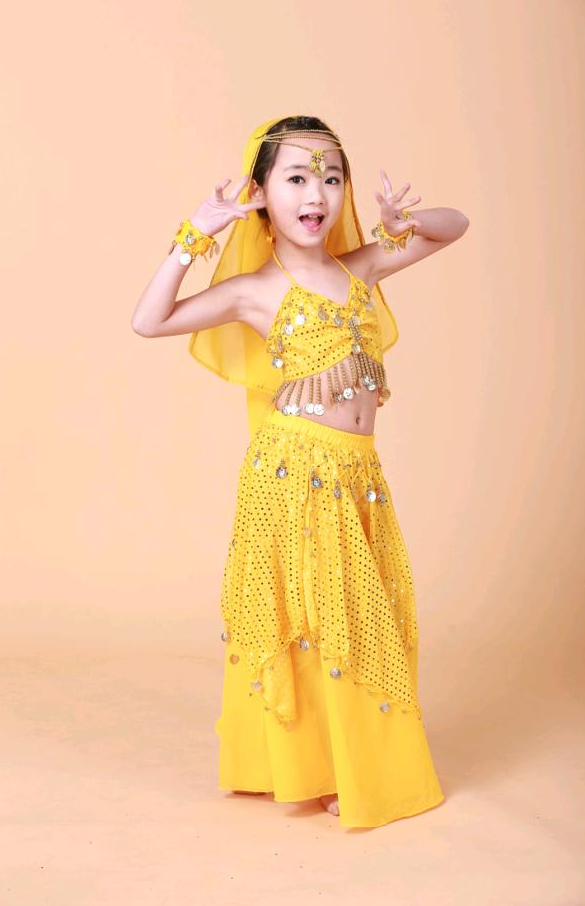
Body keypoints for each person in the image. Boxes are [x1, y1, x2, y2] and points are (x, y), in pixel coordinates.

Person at [131, 114, 469, 828]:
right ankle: (328, 767)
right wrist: (195, 235)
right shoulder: (253, 289)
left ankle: (349, 759)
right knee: (320, 620)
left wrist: (405, 222)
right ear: (260, 194)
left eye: (331, 178)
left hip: (359, 477)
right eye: (296, 178)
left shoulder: (360, 267)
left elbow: (455, 226)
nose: (317, 194)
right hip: (294, 475)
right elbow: (149, 320)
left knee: (359, 617)